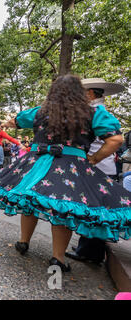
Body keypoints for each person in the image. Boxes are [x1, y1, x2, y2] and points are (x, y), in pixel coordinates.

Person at [0, 74, 129, 272]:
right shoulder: (92, 113)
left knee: (30, 201)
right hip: (69, 168)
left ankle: (23, 241)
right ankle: (58, 258)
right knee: (63, 209)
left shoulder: (40, 112)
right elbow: (116, 140)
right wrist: (94, 159)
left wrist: (6, 124)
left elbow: (15, 121)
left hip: (35, 164)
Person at [65, 78, 127, 265]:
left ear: (90, 94)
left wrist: (93, 159)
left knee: (95, 211)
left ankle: (90, 253)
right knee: (91, 209)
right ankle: (86, 246)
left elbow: (116, 140)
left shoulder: (97, 112)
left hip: (98, 170)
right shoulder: (96, 111)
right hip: (98, 170)